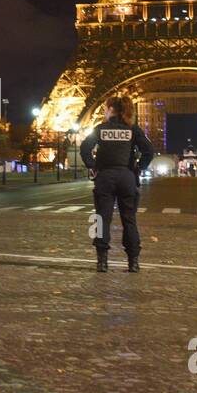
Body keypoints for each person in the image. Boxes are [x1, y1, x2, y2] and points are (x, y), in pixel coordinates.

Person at [80, 97, 155, 273]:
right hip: (126, 176)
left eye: (106, 109)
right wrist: (138, 168)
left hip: (105, 176)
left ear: (111, 109)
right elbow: (149, 151)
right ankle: (133, 262)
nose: (104, 112)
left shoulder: (101, 129)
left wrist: (93, 166)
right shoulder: (132, 129)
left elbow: (85, 148)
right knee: (129, 219)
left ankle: (102, 261)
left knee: (101, 219)